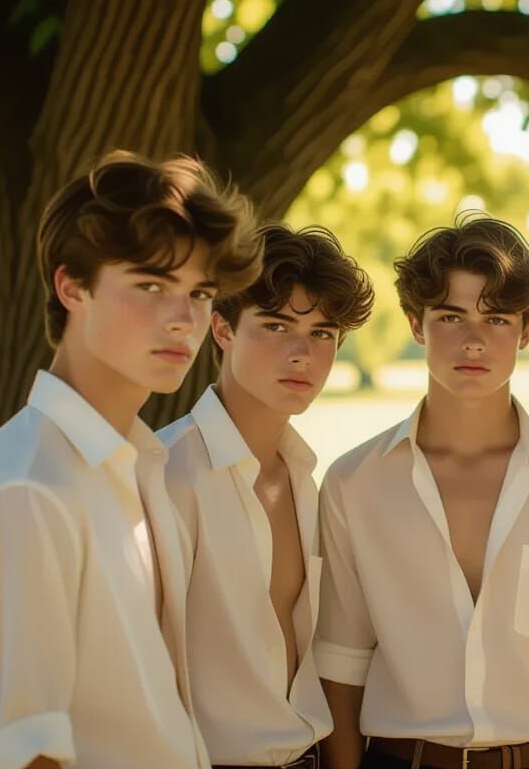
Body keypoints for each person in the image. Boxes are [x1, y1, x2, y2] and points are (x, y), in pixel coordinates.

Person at [0, 151, 261, 769]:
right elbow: (20, 754)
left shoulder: (138, 466)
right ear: (72, 286)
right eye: (150, 286)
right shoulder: (29, 492)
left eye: (200, 293)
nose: (183, 319)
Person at [316, 215, 529, 769]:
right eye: (450, 316)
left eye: (496, 319)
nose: (473, 341)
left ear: (527, 331)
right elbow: (341, 667)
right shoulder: (353, 483)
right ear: (417, 324)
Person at [160, 224, 374, 769]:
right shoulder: (165, 472)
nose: (302, 353)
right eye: (277, 325)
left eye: (323, 333)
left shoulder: (306, 479)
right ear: (222, 329)